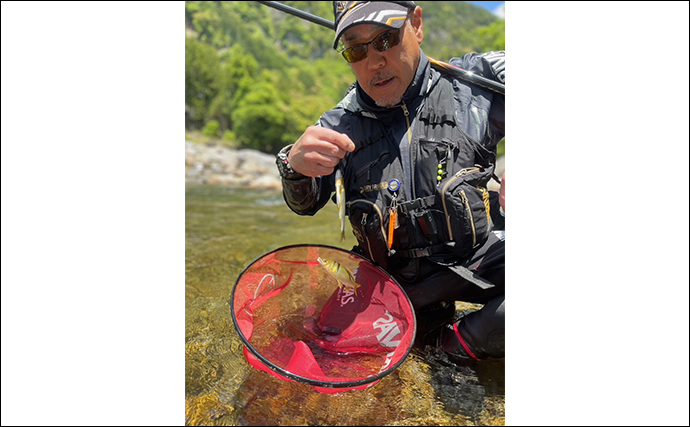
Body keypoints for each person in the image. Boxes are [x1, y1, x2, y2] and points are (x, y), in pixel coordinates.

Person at [275, 1, 505, 362]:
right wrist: (292, 166)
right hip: (388, 281)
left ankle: (460, 344)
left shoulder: (479, 83)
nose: (374, 62)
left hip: (478, 262)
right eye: (356, 49)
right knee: (317, 354)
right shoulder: (336, 125)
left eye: (385, 39)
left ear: (417, 24)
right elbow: (305, 203)